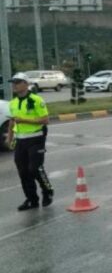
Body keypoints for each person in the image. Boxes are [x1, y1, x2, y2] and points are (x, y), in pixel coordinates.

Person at [5, 73, 54, 211]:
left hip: (36, 138)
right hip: (20, 140)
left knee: (35, 168)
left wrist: (25, 120)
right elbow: (12, 121)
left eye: (17, 82)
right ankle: (32, 200)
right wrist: (9, 138)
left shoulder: (36, 100)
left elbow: (45, 120)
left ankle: (48, 191)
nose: (14, 85)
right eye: (13, 82)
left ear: (26, 84)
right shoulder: (13, 103)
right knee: (23, 172)